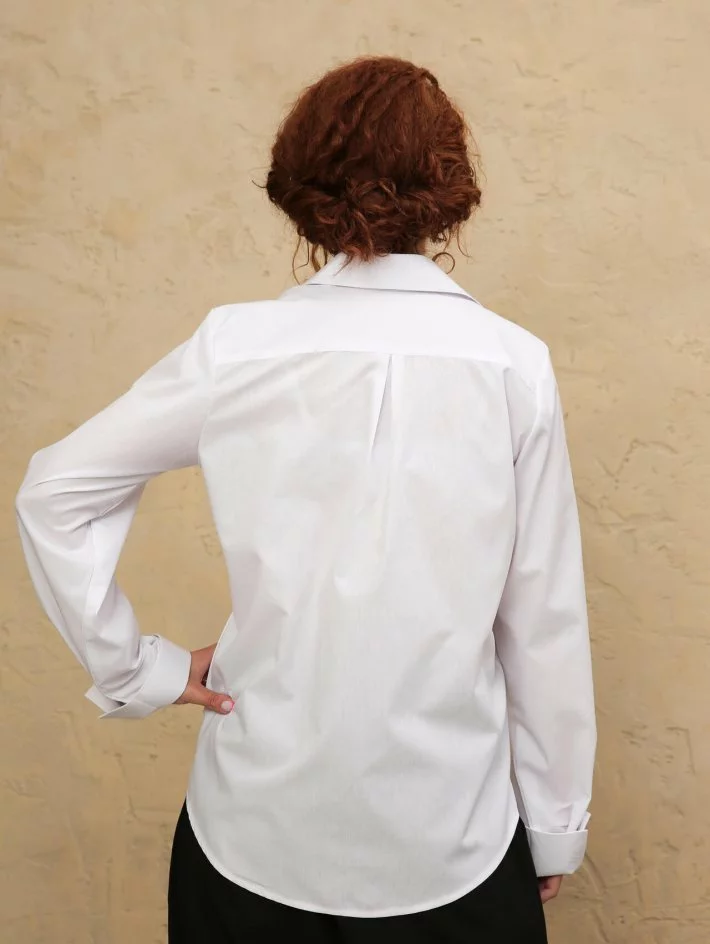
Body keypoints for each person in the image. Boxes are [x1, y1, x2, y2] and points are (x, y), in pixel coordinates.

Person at [16, 56, 596, 943]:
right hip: (454, 837)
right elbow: (542, 615)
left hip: (249, 834)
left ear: (304, 180)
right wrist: (555, 823)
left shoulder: (238, 347)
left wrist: (138, 670)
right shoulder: (512, 363)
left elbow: (56, 491)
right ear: (446, 185)